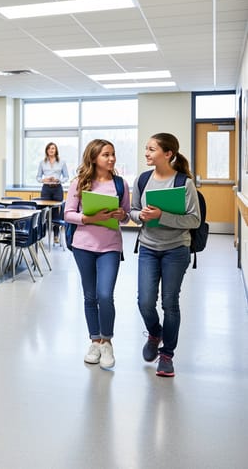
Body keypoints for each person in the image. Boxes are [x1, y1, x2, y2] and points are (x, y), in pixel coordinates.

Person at [129, 133, 201, 377]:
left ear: (168, 153)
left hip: (176, 249)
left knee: (170, 303)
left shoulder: (184, 183)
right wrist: (142, 216)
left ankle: (167, 354)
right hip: (148, 247)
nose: (147, 153)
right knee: (145, 302)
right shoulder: (142, 179)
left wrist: (162, 216)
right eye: (146, 149)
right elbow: (133, 211)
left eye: (152, 149)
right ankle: (154, 332)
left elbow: (194, 219)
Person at [64, 139, 131, 370]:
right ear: (93, 158)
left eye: (113, 154)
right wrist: (90, 218)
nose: (111, 159)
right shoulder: (80, 183)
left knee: (105, 294)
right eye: (106, 155)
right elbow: (68, 214)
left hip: (110, 246)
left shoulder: (121, 184)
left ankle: (107, 342)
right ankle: (94, 341)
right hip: (83, 246)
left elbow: (127, 216)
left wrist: (122, 214)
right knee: (90, 296)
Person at [37, 142, 69, 243]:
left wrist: (59, 180)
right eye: (50, 148)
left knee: (56, 212)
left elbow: (66, 176)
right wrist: (44, 180)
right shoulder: (42, 162)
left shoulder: (62, 162)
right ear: (47, 150)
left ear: (56, 150)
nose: (51, 150)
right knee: (43, 211)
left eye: (53, 148)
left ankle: (56, 235)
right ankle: (41, 234)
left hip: (57, 188)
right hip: (46, 188)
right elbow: (38, 177)